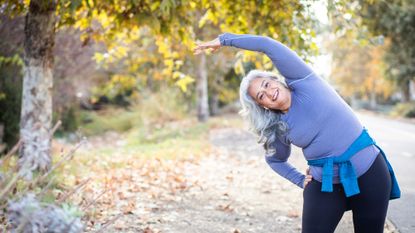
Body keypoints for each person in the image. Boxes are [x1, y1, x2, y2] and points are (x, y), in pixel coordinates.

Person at [194, 33, 400, 233]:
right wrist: (300, 179)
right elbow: (275, 161)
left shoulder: (304, 80)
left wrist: (224, 40)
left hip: (369, 171)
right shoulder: (277, 126)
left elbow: (267, 45)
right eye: (261, 96)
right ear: (262, 105)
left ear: (275, 79)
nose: (268, 92)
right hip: (326, 183)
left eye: (267, 84)